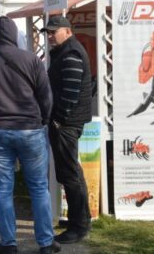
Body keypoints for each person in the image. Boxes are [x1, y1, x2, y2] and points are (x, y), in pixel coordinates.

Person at [0, 16, 59, 254]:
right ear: (15, 35)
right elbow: (46, 96)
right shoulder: (32, 59)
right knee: (39, 187)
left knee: (3, 189)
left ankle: (8, 243)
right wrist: (43, 120)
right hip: (30, 128)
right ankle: (46, 242)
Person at [42, 15, 93, 244]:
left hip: (67, 123)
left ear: (67, 31)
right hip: (68, 122)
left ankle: (78, 226)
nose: (50, 36)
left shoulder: (71, 53)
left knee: (70, 175)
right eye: (48, 32)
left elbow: (71, 93)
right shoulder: (67, 50)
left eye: (54, 31)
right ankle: (81, 221)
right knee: (71, 174)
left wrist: (59, 120)